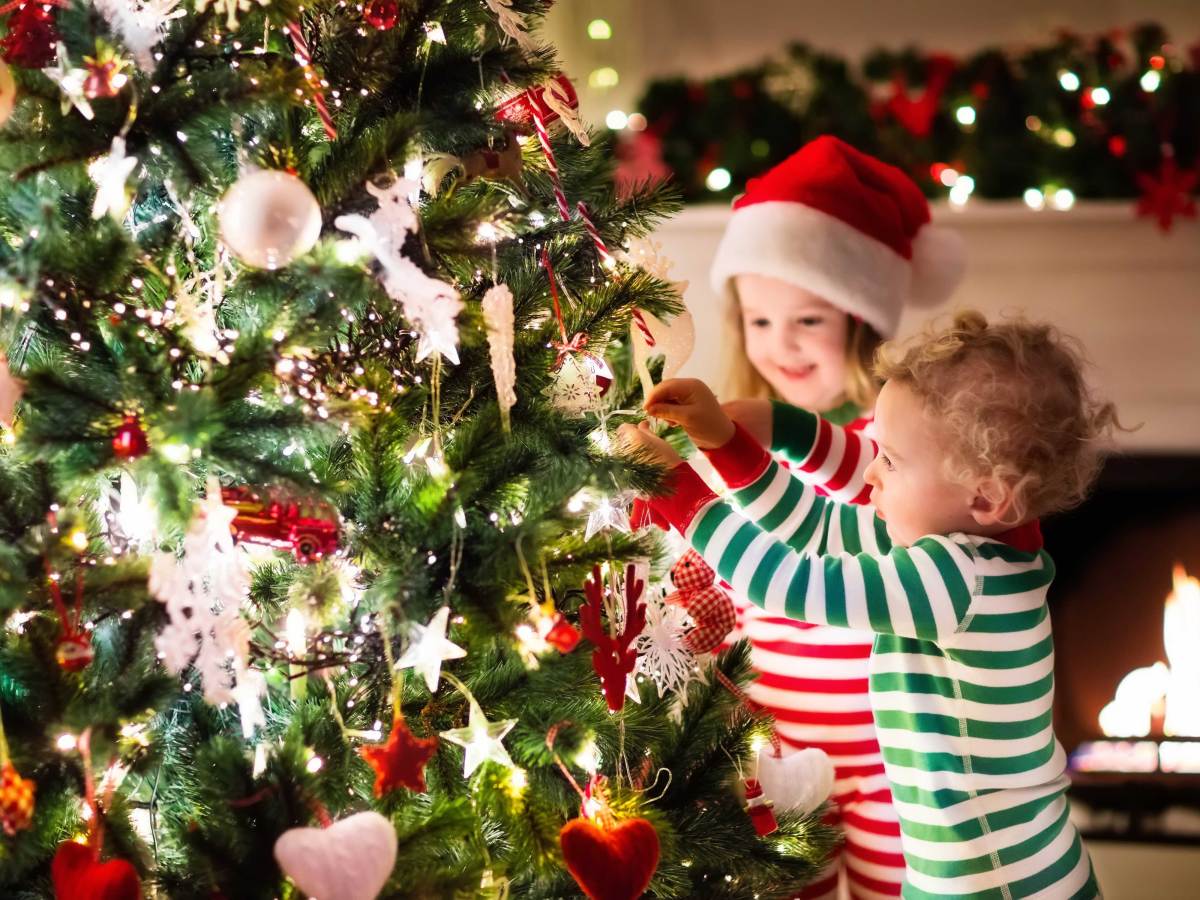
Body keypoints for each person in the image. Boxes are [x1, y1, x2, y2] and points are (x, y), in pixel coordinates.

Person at [621, 310, 1117, 899]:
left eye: (892, 460)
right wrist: (729, 445)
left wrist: (681, 491)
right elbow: (817, 526)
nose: (870, 473)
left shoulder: (958, 582)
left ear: (986, 497)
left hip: (1001, 883)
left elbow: (790, 581)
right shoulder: (964, 547)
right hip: (962, 872)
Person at [705, 134, 965, 899]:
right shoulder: (737, 445)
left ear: (858, 320)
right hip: (779, 740)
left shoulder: (894, 442)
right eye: (759, 322)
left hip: (892, 747)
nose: (779, 345)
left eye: (807, 322)